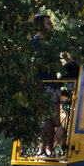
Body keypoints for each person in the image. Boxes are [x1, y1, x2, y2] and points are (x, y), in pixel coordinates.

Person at [31, 12, 63, 158]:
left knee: (52, 120)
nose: (52, 26)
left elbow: (56, 65)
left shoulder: (52, 44)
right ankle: (42, 149)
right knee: (46, 119)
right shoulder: (34, 43)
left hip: (53, 85)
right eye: (48, 23)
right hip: (43, 86)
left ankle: (49, 149)